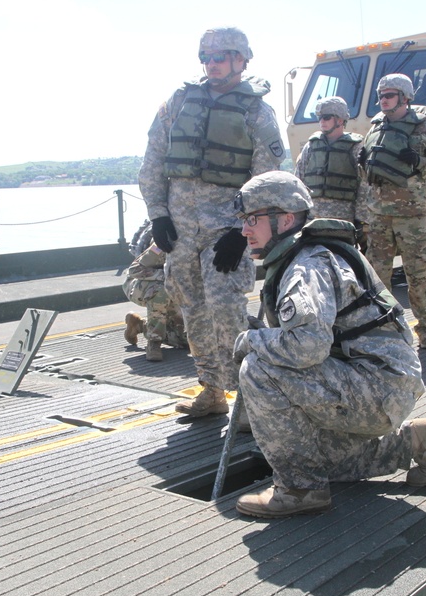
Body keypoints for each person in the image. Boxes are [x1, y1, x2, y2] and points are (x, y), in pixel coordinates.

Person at [231, 171, 426, 519]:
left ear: (285, 218)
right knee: (321, 461)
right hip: (382, 382)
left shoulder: (306, 267)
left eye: (252, 219)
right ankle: (413, 443)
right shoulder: (309, 254)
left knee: (258, 368)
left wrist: (251, 340)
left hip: (376, 387)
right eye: (243, 221)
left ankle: (300, 489)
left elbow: (306, 347)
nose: (244, 230)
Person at [138, 27, 284, 417]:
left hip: (225, 231)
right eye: (206, 56)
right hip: (181, 230)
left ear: (241, 59)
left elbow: (266, 178)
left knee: (227, 314)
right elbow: (152, 159)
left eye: (220, 55)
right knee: (191, 310)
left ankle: (249, 400)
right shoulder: (179, 101)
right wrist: (157, 213)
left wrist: (243, 232)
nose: (212, 63)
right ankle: (212, 391)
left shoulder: (256, 111)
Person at [358, 73, 426, 350]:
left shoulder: (424, 129)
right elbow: (367, 173)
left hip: (411, 215)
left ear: (404, 97)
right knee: (377, 278)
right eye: (381, 96)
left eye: (389, 95)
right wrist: (363, 164)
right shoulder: (375, 128)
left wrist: (419, 161)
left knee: (418, 275)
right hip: (379, 214)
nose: (383, 100)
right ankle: (383, 330)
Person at [122, 220, 188, 361]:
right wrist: (165, 276)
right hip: (140, 285)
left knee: (183, 340)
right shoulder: (163, 244)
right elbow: (134, 270)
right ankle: (154, 342)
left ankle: (138, 325)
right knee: (161, 291)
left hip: (172, 289)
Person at [293, 96, 362, 223]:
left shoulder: (355, 148)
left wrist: (360, 218)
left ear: (340, 120)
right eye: (319, 117)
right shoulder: (311, 146)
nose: (322, 121)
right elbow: (298, 180)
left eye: (326, 117)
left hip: (343, 219)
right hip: (313, 218)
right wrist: (298, 215)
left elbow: (363, 185)